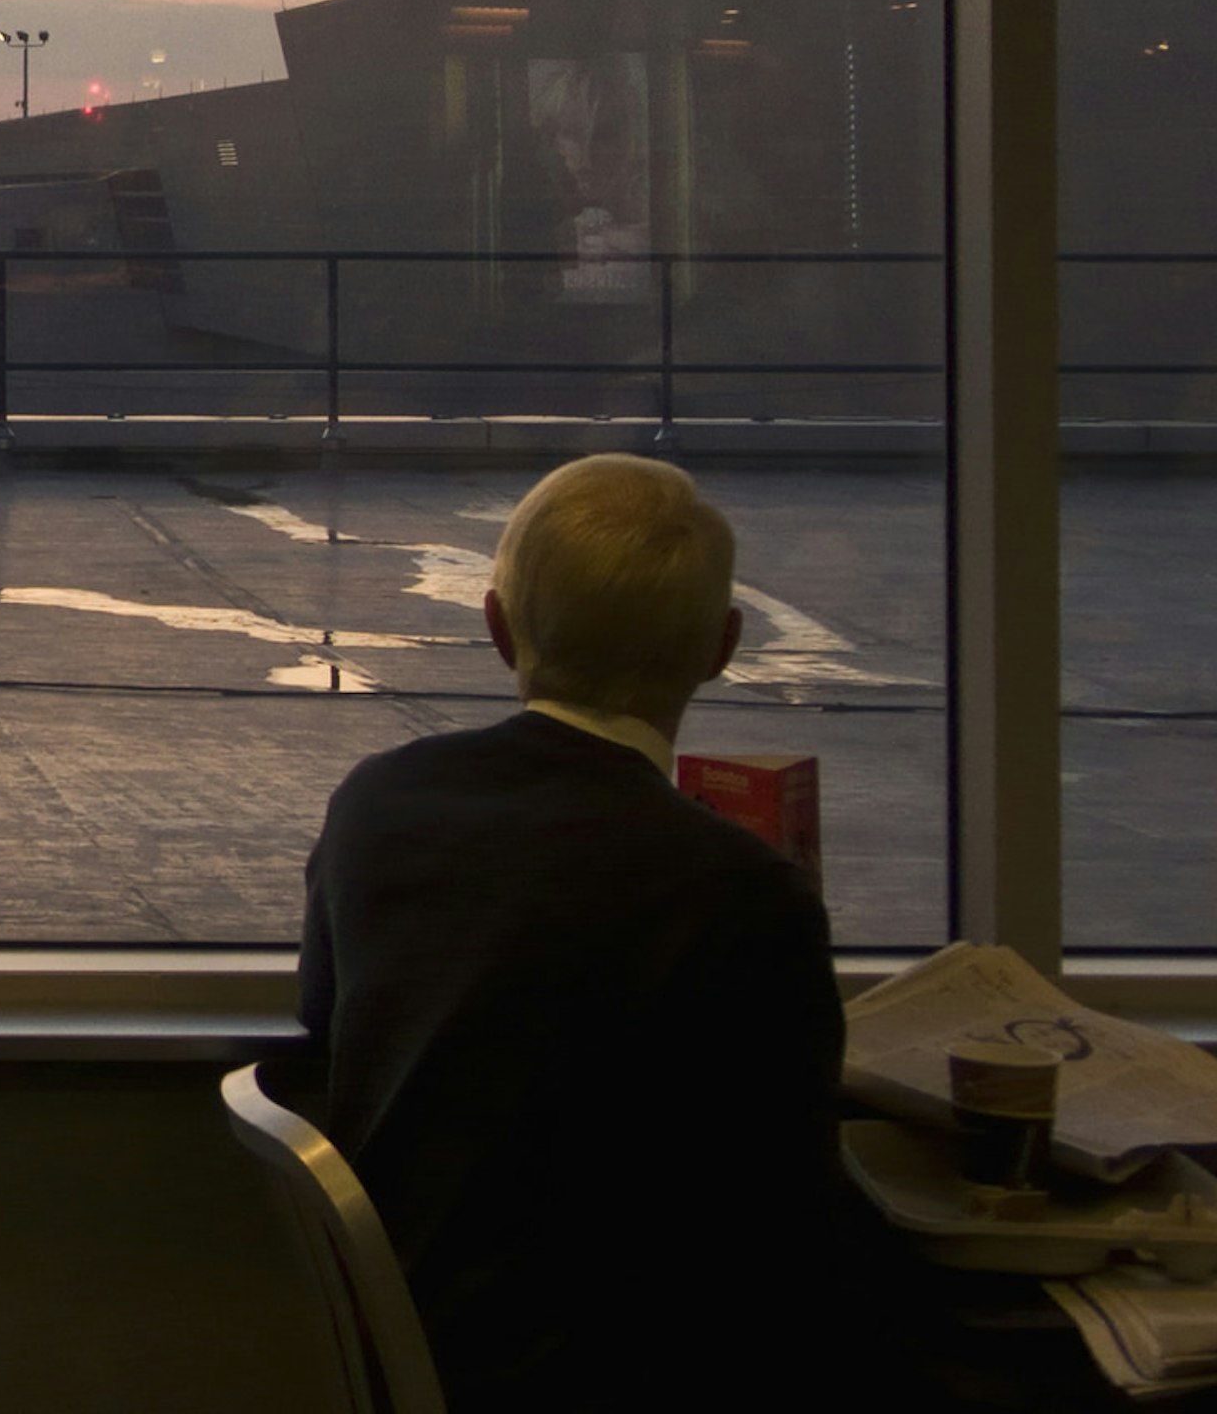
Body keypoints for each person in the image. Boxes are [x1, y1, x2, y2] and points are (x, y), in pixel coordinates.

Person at [295, 454, 870, 1414]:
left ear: (495, 627)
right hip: (620, 1366)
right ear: (723, 645)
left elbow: (329, 1028)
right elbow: (787, 1210)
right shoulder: (737, 886)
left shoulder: (376, 803)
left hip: (430, 1347)